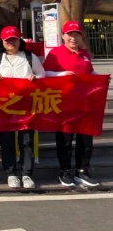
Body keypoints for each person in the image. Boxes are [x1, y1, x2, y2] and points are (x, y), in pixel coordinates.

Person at [0, 26, 46, 189]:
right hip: (4, 107)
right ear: (2, 42)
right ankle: (11, 173)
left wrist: (36, 77)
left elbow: (42, 74)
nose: (10, 42)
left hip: (26, 106)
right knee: (7, 141)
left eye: (13, 39)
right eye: (7, 40)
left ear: (19, 40)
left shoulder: (29, 57)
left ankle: (27, 174)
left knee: (26, 141)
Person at [43, 20, 100, 188]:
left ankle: (83, 171)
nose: (73, 38)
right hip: (64, 104)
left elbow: (90, 72)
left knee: (85, 139)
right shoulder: (55, 54)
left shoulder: (85, 54)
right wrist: (61, 74)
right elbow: (44, 73)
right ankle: (65, 171)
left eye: (76, 34)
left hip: (84, 103)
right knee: (65, 140)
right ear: (63, 36)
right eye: (70, 35)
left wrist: (100, 78)